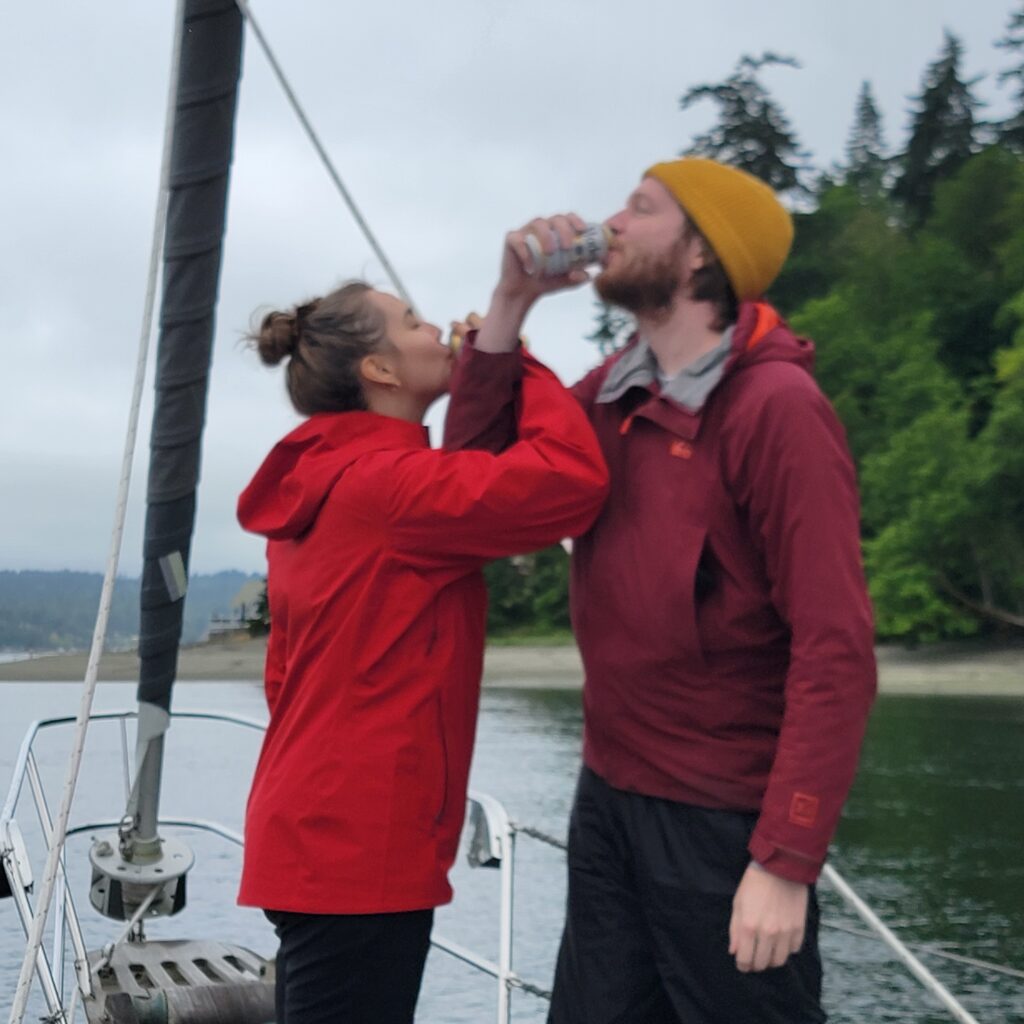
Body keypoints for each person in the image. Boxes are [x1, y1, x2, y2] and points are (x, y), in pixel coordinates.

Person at [443, 158, 877, 1024]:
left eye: (640, 209)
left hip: (723, 819)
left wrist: (786, 859)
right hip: (609, 797)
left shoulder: (778, 408)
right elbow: (476, 485)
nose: (611, 222)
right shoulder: (614, 392)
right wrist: (511, 305)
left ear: (699, 255)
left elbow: (835, 648)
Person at [235, 279, 608, 1024]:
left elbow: (285, 677)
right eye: (411, 322)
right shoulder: (390, 490)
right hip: (358, 848)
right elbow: (569, 481)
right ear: (379, 370)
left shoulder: (324, 483)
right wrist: (523, 364)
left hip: (314, 831)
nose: (435, 328)